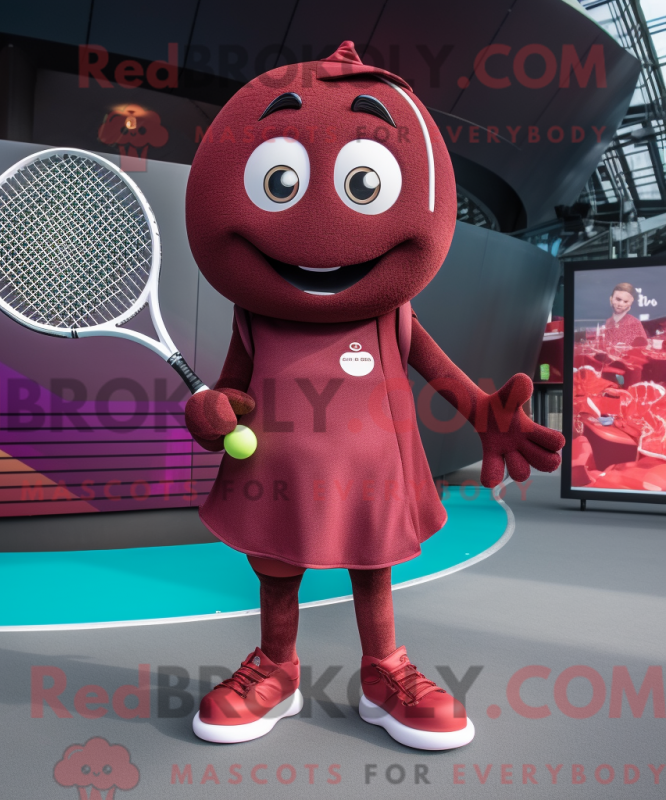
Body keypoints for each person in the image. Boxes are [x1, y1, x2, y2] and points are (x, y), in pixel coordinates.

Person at [183, 41, 564, 751]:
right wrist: (211, 412)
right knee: (276, 568)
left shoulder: (392, 314)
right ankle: (276, 667)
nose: (323, 225)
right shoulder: (253, 316)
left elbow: (444, 376)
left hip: (372, 478)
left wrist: (487, 416)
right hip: (275, 476)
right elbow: (229, 392)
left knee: (373, 565)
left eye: (364, 184)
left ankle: (385, 672)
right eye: (280, 183)